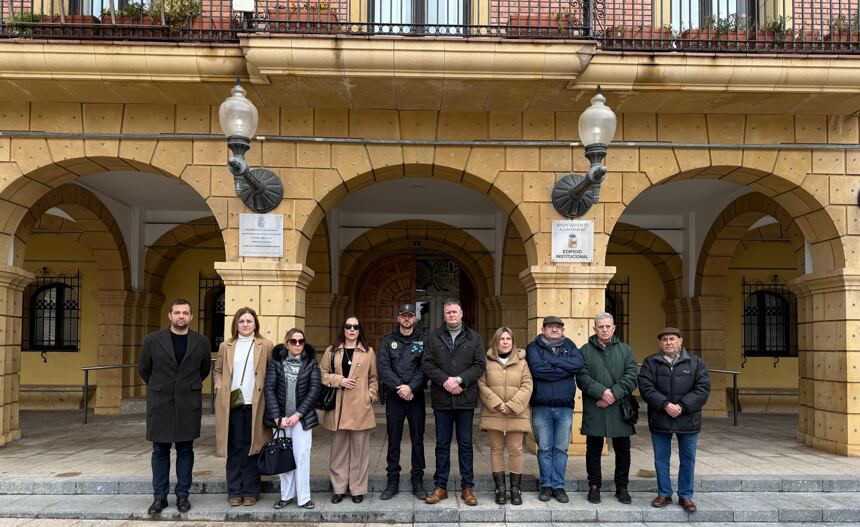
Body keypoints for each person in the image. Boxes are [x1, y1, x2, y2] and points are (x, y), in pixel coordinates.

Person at [138, 299, 211, 515]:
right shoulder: (152, 340)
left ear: (191, 317)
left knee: (185, 450)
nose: (181, 316)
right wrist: (161, 387)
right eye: (177, 312)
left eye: (185, 313)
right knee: (160, 450)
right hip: (160, 403)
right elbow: (144, 369)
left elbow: (204, 369)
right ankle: (159, 498)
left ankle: (182, 496)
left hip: (188, 403)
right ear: (170, 315)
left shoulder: (201, 342)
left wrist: (186, 386)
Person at [638, 327, 711, 513]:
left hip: (688, 418)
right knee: (661, 459)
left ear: (680, 341)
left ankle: (686, 496)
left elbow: (702, 389)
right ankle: (664, 493)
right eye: (664, 340)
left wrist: (682, 406)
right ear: (659, 343)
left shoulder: (695, 362)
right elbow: (646, 388)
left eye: (672, 339)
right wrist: (665, 405)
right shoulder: (650, 362)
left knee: (688, 459)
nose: (668, 342)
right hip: (661, 417)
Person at [421, 299, 486, 506]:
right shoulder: (433, 337)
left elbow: (479, 365)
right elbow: (427, 364)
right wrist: (445, 381)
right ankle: (441, 487)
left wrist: (459, 380)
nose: (451, 315)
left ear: (461, 314)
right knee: (442, 445)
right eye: (448, 312)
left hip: (465, 399)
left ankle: (467, 487)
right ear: (444, 315)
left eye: (454, 312)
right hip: (442, 400)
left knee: (466, 445)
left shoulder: (474, 337)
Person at [576, 312, 638, 505]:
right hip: (595, 406)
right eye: (600, 326)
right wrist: (602, 393)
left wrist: (613, 395)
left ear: (614, 328)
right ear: (594, 329)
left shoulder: (626, 350)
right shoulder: (585, 350)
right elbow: (582, 377)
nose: (604, 329)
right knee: (593, 450)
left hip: (618, 407)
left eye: (607, 326)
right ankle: (594, 486)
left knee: (623, 450)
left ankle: (622, 487)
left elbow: (631, 376)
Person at [213, 307, 273, 507]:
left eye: (249, 321)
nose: (245, 324)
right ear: (236, 324)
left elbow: (272, 372)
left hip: (256, 403)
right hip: (233, 404)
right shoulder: (226, 345)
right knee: (235, 447)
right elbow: (218, 370)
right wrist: (220, 386)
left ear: (255, 323)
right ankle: (234, 490)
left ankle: (251, 490)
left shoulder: (265, 345)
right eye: (241, 321)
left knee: (254, 447)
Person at [320, 316, 379, 504]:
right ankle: (338, 488)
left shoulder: (368, 352)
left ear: (360, 330)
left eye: (355, 326)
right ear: (343, 329)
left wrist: (369, 396)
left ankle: (357, 489)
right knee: (338, 451)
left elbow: (374, 378)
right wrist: (339, 380)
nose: (352, 330)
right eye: (348, 326)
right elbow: (322, 373)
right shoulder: (332, 351)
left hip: (360, 407)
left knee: (359, 452)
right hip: (337, 407)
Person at [525, 315, 583, 503]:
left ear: (562, 330)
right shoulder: (533, 347)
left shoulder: (570, 346)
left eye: (558, 327)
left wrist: (551, 362)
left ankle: (558, 486)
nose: (555, 330)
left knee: (560, 449)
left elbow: (577, 365)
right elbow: (536, 369)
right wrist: (563, 369)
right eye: (550, 327)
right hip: (541, 406)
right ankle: (546, 486)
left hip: (564, 407)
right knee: (544, 448)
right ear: (543, 330)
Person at [264, 328, 321, 510]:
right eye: (293, 341)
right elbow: (269, 389)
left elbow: (314, 391)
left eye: (301, 341)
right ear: (286, 342)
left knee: (302, 457)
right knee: (284, 457)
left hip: (302, 419)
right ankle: (286, 496)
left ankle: (304, 498)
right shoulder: (276, 362)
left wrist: (298, 414)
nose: (297, 345)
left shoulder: (311, 363)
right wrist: (277, 416)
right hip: (280, 419)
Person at [377, 303, 428, 500]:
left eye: (410, 316)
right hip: (395, 397)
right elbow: (383, 367)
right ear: (398, 318)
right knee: (394, 440)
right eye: (403, 316)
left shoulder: (424, 340)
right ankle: (393, 482)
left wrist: (411, 387)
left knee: (418, 440)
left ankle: (417, 481)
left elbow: (426, 366)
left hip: (415, 396)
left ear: (415, 319)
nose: (406, 319)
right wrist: (400, 386)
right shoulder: (388, 341)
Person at [478, 326, 533, 506]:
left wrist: (511, 406)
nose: (505, 342)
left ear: (513, 341)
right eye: (501, 339)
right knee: (496, 450)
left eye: (508, 339)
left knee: (516, 450)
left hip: (515, 413)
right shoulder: (486, 362)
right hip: (494, 412)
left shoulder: (522, 363)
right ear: (496, 341)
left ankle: (515, 489)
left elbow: (527, 385)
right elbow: (481, 385)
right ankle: (500, 489)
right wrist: (497, 403)